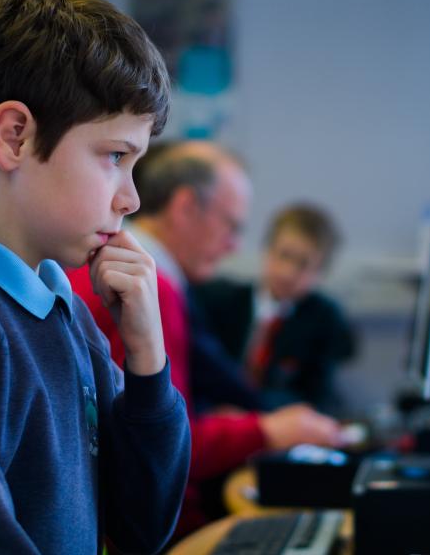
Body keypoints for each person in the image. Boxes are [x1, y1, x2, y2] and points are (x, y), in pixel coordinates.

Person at [0, 0, 190, 554]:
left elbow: (143, 526)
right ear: (14, 137)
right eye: (115, 156)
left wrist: (147, 361)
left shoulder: (60, 309)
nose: (132, 199)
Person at [68, 140, 344, 536]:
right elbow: (165, 446)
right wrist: (267, 431)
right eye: (231, 225)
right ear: (184, 208)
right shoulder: (145, 288)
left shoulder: (111, 268)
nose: (234, 246)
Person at [194, 204, 356, 413]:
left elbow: (316, 396)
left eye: (303, 264)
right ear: (267, 250)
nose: (288, 272)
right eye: (284, 255)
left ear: (320, 273)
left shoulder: (325, 319)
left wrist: (252, 409)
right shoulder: (217, 299)